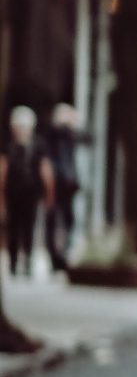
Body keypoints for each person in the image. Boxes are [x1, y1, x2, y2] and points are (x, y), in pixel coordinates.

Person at [4, 107, 55, 277]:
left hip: (26, 194)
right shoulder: (30, 144)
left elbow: (45, 171)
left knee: (20, 227)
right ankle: (20, 263)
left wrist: (49, 194)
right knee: (20, 228)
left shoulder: (14, 145)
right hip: (19, 193)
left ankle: (19, 263)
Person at [44, 104, 82, 273]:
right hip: (56, 184)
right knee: (55, 221)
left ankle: (61, 256)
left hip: (65, 184)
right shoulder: (54, 135)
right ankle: (57, 258)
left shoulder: (68, 136)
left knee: (67, 221)